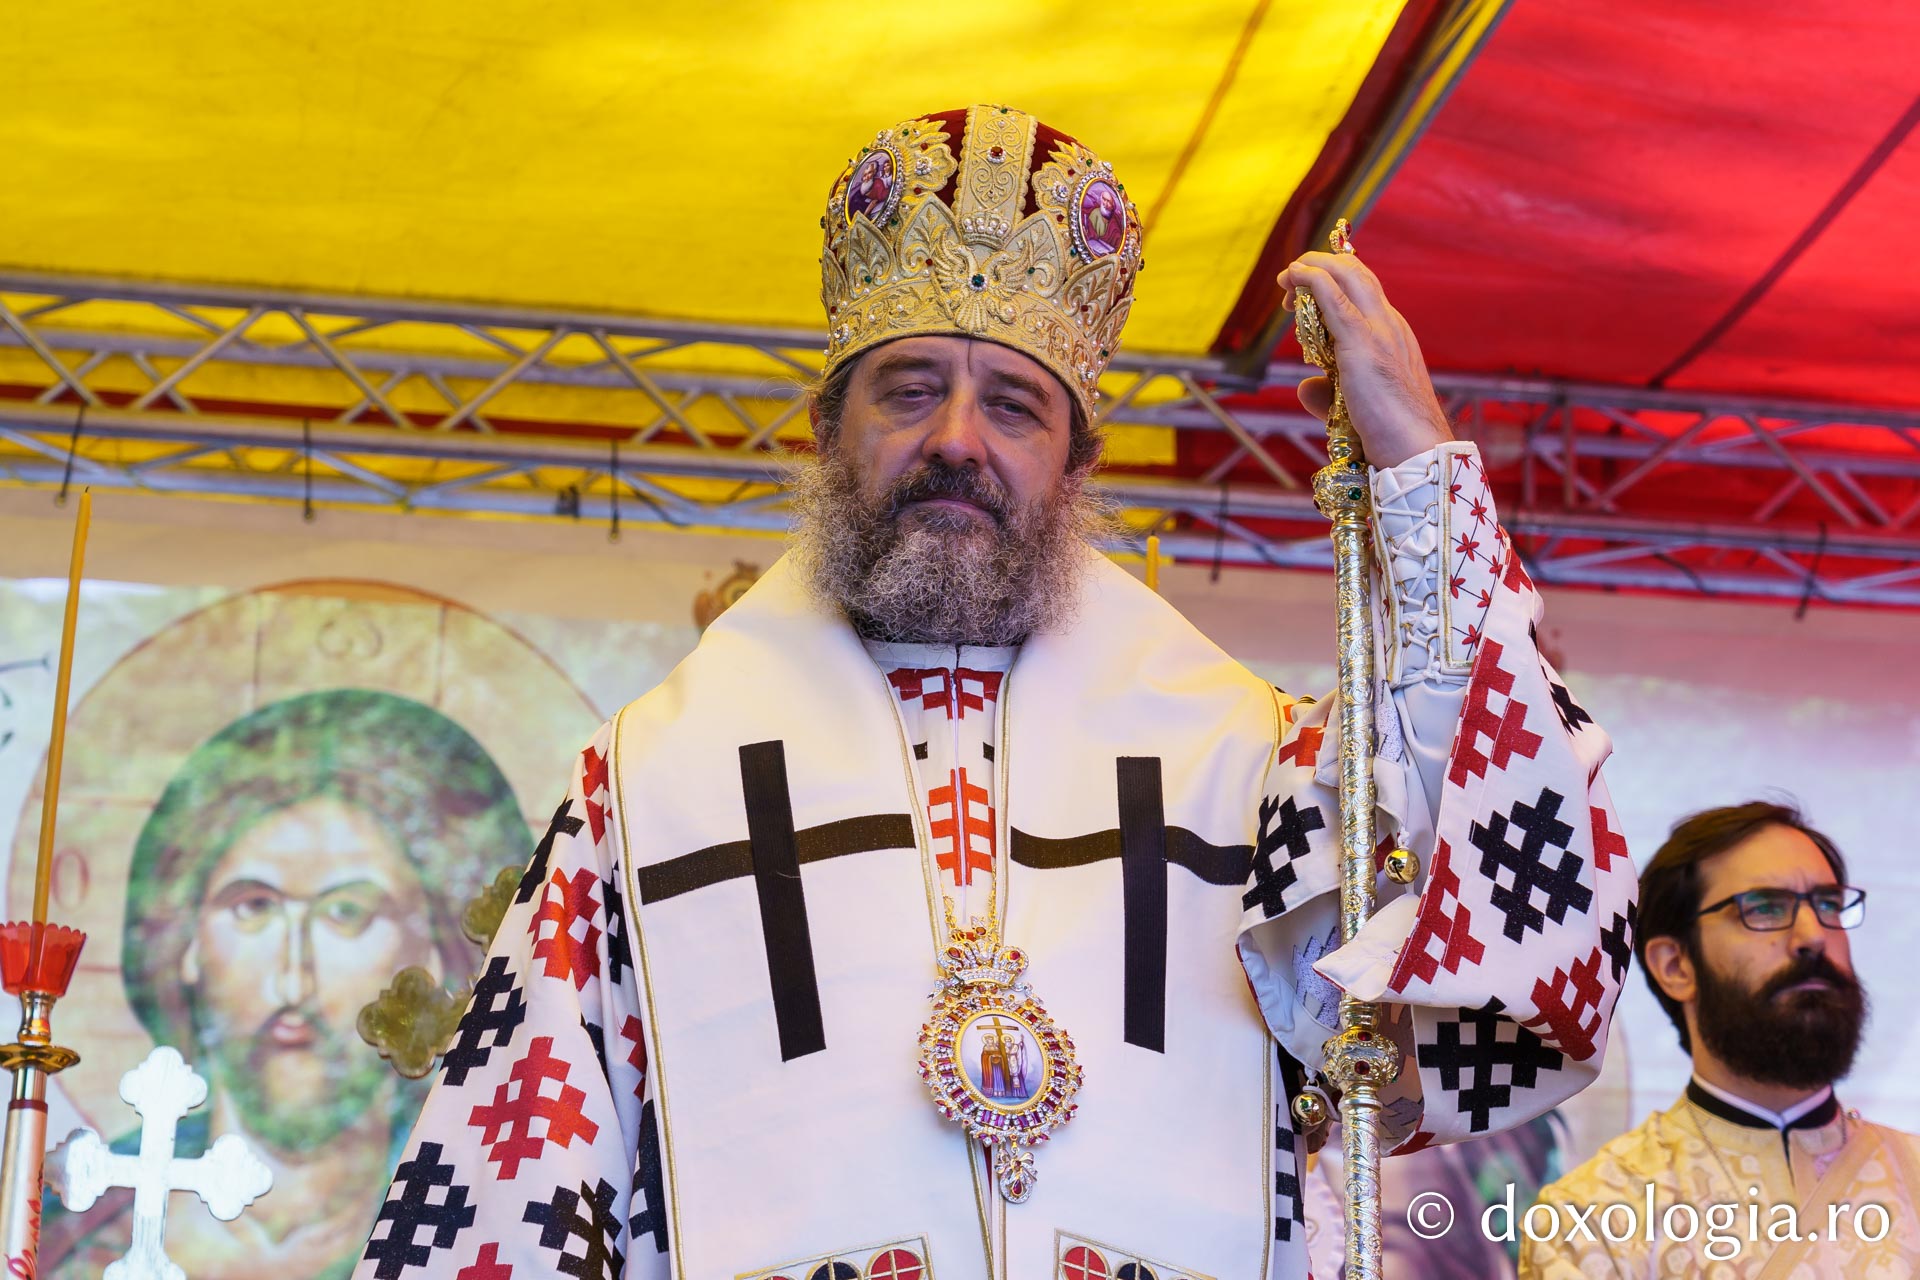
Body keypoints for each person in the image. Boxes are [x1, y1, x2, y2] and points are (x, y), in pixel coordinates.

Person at [358, 105, 1633, 1280]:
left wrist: (1416, 455)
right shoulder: (638, 791)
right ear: (828, 429)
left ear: (1080, 463)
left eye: (1014, 404)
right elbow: (498, 1188)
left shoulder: (1249, 766)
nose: (957, 437)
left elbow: (1517, 867)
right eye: (910, 389)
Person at [43, 690, 527, 1280]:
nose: (293, 978)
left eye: (346, 913)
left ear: (433, 948)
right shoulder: (68, 1229)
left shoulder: (491, 1232)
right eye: (253, 907)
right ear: (185, 943)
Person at [1522, 801, 1920, 1278]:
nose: (1813, 936)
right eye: (1766, 908)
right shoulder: (1592, 1221)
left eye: (1828, 904)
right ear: (1676, 966)